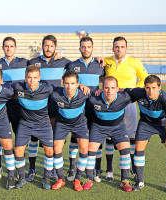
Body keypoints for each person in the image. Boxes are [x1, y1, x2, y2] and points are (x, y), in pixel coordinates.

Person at [94, 36, 148, 182]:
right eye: (116, 47)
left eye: (122, 47)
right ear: (113, 48)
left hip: (128, 103)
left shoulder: (135, 63)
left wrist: (131, 91)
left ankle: (132, 166)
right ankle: (109, 169)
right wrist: (97, 58)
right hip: (109, 102)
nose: (119, 49)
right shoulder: (107, 61)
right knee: (109, 136)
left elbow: (145, 78)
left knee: (130, 136)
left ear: (126, 48)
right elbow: (98, 76)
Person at [124, 75, 166, 194]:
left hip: (163, 123)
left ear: (160, 87)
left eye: (154, 88)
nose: (151, 91)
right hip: (146, 123)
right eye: (148, 88)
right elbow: (123, 90)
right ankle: (139, 181)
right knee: (138, 148)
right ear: (144, 88)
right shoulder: (139, 93)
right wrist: (106, 89)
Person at [27, 35, 71, 181]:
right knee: (33, 137)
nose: (48, 48)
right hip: (38, 105)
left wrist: (97, 59)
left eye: (51, 46)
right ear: (42, 46)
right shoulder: (33, 62)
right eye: (46, 45)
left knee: (54, 138)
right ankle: (32, 168)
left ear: (55, 48)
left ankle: (52, 168)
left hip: (56, 105)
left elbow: (79, 67)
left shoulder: (63, 62)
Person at [0, 37, 28, 180]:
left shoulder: (24, 62)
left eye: (11, 46)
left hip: (18, 105)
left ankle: (17, 166)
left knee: (19, 136)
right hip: (1, 105)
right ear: (3, 48)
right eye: (6, 46)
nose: (9, 48)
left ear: (15, 48)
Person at [65, 36, 104, 181]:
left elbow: (106, 81)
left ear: (92, 48)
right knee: (75, 137)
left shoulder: (100, 65)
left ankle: (97, 169)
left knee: (96, 137)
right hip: (78, 106)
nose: (86, 49)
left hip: (95, 106)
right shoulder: (72, 65)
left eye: (88, 47)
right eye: (83, 47)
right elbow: (66, 81)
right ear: (80, 48)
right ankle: (71, 168)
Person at [87, 76, 134, 192]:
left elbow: (142, 92)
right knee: (91, 150)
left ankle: (124, 180)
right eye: (106, 88)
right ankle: (88, 179)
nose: (109, 91)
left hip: (118, 127)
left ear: (118, 88)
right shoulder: (93, 98)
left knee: (125, 149)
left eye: (113, 88)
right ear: (102, 88)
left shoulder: (125, 97)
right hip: (99, 127)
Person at [11, 65, 54, 189]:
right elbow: (0, 86)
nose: (32, 81)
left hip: (43, 124)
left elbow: (64, 90)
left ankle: (46, 178)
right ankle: (22, 178)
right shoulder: (17, 87)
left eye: (35, 78)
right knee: (18, 150)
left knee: (49, 151)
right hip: (25, 123)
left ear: (39, 78)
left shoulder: (48, 88)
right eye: (29, 78)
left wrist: (81, 86)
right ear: (25, 78)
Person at [50, 70, 90, 191]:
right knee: (56, 149)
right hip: (62, 124)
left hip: (79, 124)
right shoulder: (55, 93)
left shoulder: (85, 93)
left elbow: (98, 96)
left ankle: (77, 179)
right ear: (62, 83)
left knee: (84, 149)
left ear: (78, 84)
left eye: (73, 83)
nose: (69, 86)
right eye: (67, 83)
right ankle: (61, 179)